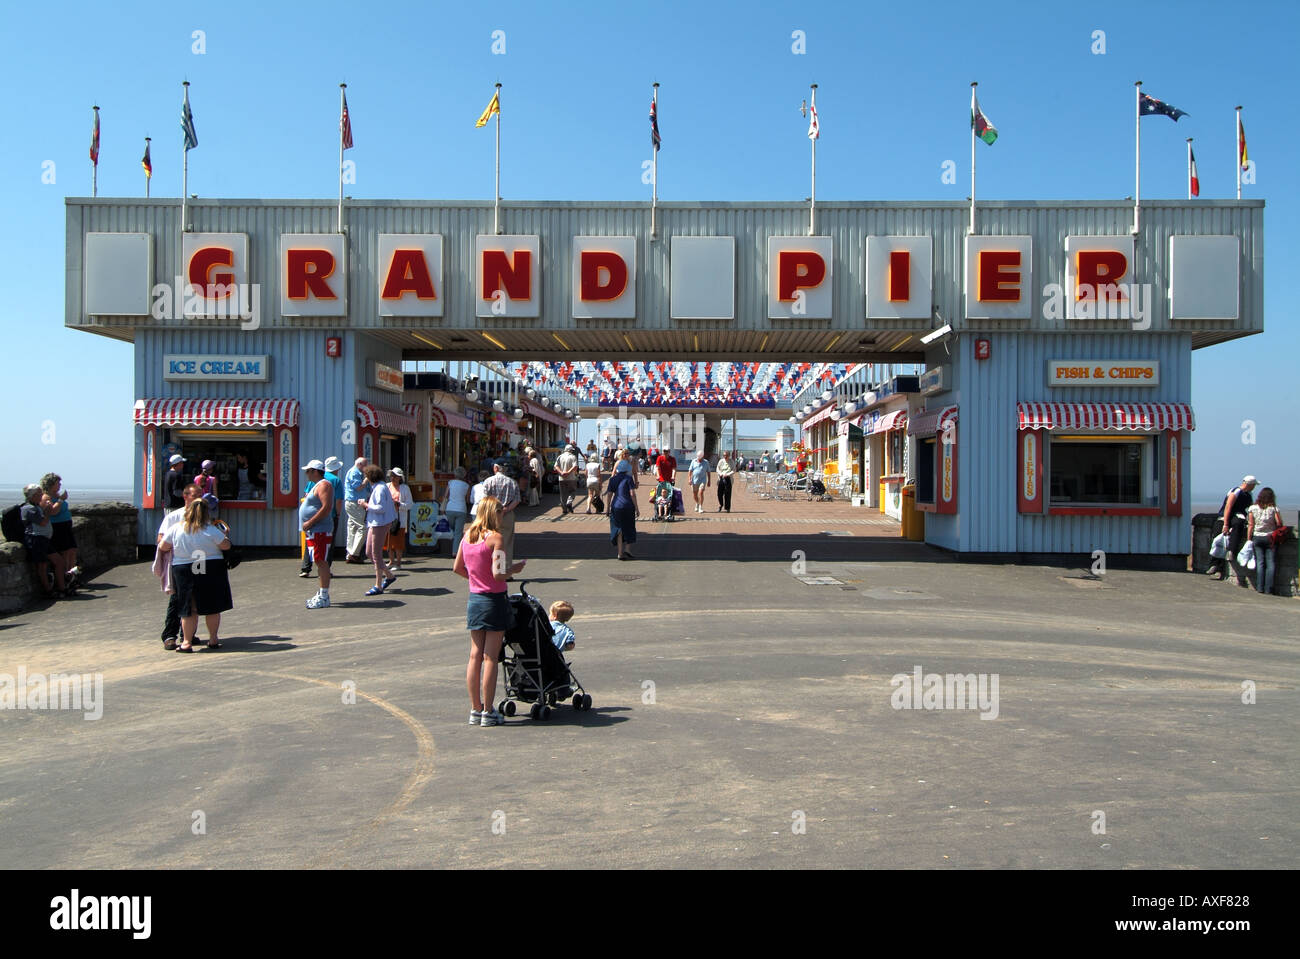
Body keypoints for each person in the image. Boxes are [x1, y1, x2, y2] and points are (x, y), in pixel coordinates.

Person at [454, 497, 526, 727]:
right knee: (491, 657)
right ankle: (487, 710)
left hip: (475, 598)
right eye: (499, 513)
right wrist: (513, 569)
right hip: (494, 599)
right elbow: (498, 574)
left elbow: (457, 568)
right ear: (492, 514)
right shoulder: (496, 538)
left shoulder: (467, 536)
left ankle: (475, 708)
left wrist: (475, 579)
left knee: (474, 655)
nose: (502, 516)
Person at [157, 497, 232, 652]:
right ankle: (213, 639)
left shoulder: (176, 528)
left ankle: (186, 642)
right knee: (212, 606)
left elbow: (163, 546)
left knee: (188, 608)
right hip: (210, 566)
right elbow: (225, 546)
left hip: (184, 568)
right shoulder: (211, 529)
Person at [155, 483, 201, 648]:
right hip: (179, 561)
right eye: (195, 495)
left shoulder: (204, 516)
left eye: (200, 495)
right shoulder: (174, 517)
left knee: (195, 596)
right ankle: (169, 635)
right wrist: (179, 544)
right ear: (185, 496)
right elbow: (160, 539)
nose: (198, 499)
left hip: (198, 559)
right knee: (178, 598)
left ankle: (187, 634)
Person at [300, 460, 335, 609]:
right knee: (318, 561)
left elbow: (327, 507)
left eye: (308, 471)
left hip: (319, 530)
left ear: (315, 471)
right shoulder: (317, 485)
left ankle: (324, 595)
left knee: (321, 561)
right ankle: (322, 593)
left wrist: (311, 522)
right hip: (314, 531)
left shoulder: (324, 485)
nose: (306, 473)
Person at [1209, 475, 1257, 585]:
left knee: (1238, 525)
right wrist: (1225, 524)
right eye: (1253, 485)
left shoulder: (1249, 495)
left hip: (1238, 517)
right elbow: (1228, 507)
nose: (1254, 487)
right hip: (1227, 517)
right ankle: (1214, 564)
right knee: (1218, 534)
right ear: (1249, 484)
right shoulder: (1236, 491)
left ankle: (1231, 551)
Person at [21, 483, 67, 598]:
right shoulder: (28, 508)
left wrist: (47, 509)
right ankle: (48, 590)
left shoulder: (36, 506)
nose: (41, 495)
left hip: (44, 539)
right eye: (39, 494)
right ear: (32, 495)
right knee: (42, 565)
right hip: (36, 539)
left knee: (59, 562)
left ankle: (62, 588)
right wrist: (47, 510)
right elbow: (43, 522)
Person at [359, 464, 397, 595]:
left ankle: (378, 585)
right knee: (370, 552)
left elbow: (381, 508)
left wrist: (366, 505)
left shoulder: (380, 488)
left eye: (365, 476)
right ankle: (389, 575)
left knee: (375, 554)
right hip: (376, 523)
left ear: (370, 477)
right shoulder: (379, 487)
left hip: (379, 523)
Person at [481, 461, 522, 573]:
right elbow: (517, 500)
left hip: (491, 514)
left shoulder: (488, 481)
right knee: (507, 542)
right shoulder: (512, 482)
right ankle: (505, 571)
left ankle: (492, 569)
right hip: (507, 514)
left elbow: (484, 500)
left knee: (489, 541)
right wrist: (506, 509)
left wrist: (494, 509)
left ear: (495, 468)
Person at [40, 473, 79, 583]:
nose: (60, 485)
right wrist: (61, 500)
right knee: (64, 552)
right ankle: (65, 577)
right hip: (57, 527)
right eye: (58, 483)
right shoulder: (46, 497)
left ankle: (72, 576)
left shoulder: (56, 495)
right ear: (51, 484)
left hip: (65, 525)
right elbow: (52, 512)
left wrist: (60, 499)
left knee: (72, 550)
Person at [1246, 486, 1282, 596]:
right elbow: (1279, 523)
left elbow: (1251, 525)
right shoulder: (1274, 509)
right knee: (1270, 564)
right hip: (1270, 537)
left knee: (1260, 563)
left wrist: (1248, 539)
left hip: (1257, 537)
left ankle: (1260, 587)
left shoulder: (1252, 508)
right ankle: (1268, 588)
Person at [607, 458, 638, 560]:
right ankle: (628, 549)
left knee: (619, 529)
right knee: (629, 527)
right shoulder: (629, 479)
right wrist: (637, 508)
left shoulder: (612, 479)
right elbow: (632, 494)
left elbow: (609, 495)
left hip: (616, 506)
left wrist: (607, 508)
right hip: (628, 506)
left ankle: (620, 553)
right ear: (627, 469)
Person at [343, 457, 371, 564]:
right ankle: (354, 554)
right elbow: (358, 487)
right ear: (359, 464)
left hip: (355, 503)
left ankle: (350, 552)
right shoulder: (354, 473)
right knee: (362, 528)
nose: (366, 468)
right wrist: (366, 479)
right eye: (365, 465)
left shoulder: (357, 473)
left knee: (352, 528)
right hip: (354, 503)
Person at [442, 466, 471, 557]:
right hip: (461, 509)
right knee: (458, 532)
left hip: (450, 508)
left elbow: (446, 495)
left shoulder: (450, 483)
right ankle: (455, 552)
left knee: (451, 528)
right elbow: (467, 499)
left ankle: (449, 546)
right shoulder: (466, 485)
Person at [387, 467, 412, 572]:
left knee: (398, 542)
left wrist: (399, 504)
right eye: (392, 475)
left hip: (399, 519)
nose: (393, 478)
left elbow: (410, 504)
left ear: (400, 478)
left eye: (396, 476)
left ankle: (398, 563)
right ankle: (391, 561)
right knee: (388, 542)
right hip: (388, 518)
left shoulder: (405, 488)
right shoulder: (386, 486)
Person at [555, 444, 579, 513]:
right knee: (572, 491)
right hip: (571, 478)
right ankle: (569, 501)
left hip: (561, 478)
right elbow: (575, 467)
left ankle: (564, 509)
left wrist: (561, 472)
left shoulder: (560, 456)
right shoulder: (573, 457)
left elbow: (556, 466)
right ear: (570, 450)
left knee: (563, 494)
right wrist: (568, 472)